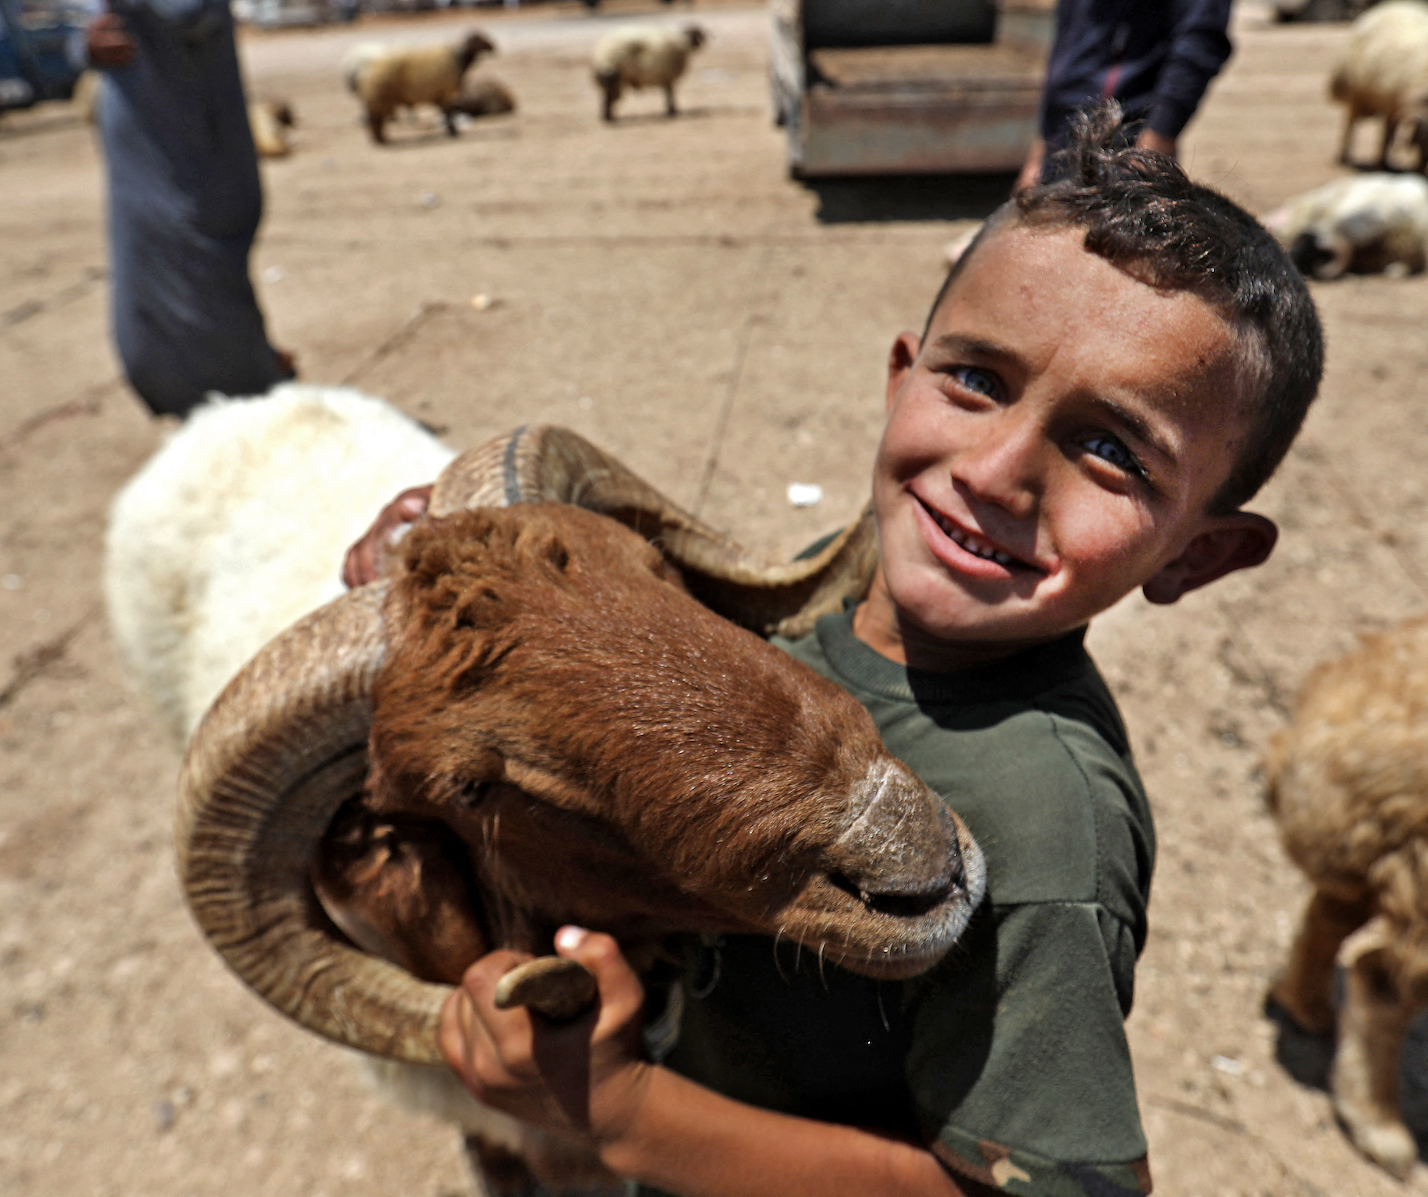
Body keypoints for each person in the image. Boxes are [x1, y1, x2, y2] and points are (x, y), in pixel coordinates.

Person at [345, 103, 1324, 1197]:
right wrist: (446, 580)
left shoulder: (1044, 830)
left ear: (1196, 556)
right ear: (899, 376)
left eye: (1110, 450)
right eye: (976, 380)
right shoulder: (846, 574)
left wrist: (623, 1112)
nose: (995, 471)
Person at [83, 0, 293, 417]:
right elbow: (100, 29)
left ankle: (250, 403)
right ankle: (212, 407)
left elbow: (188, 13)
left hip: (191, 163)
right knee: (153, 309)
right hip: (147, 163)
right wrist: (89, 43)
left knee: (204, 304)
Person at [1017, 0, 1235, 187]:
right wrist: (1042, 144)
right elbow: (1067, 38)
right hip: (1064, 135)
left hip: (1127, 137)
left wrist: (1155, 142)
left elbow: (1199, 40)